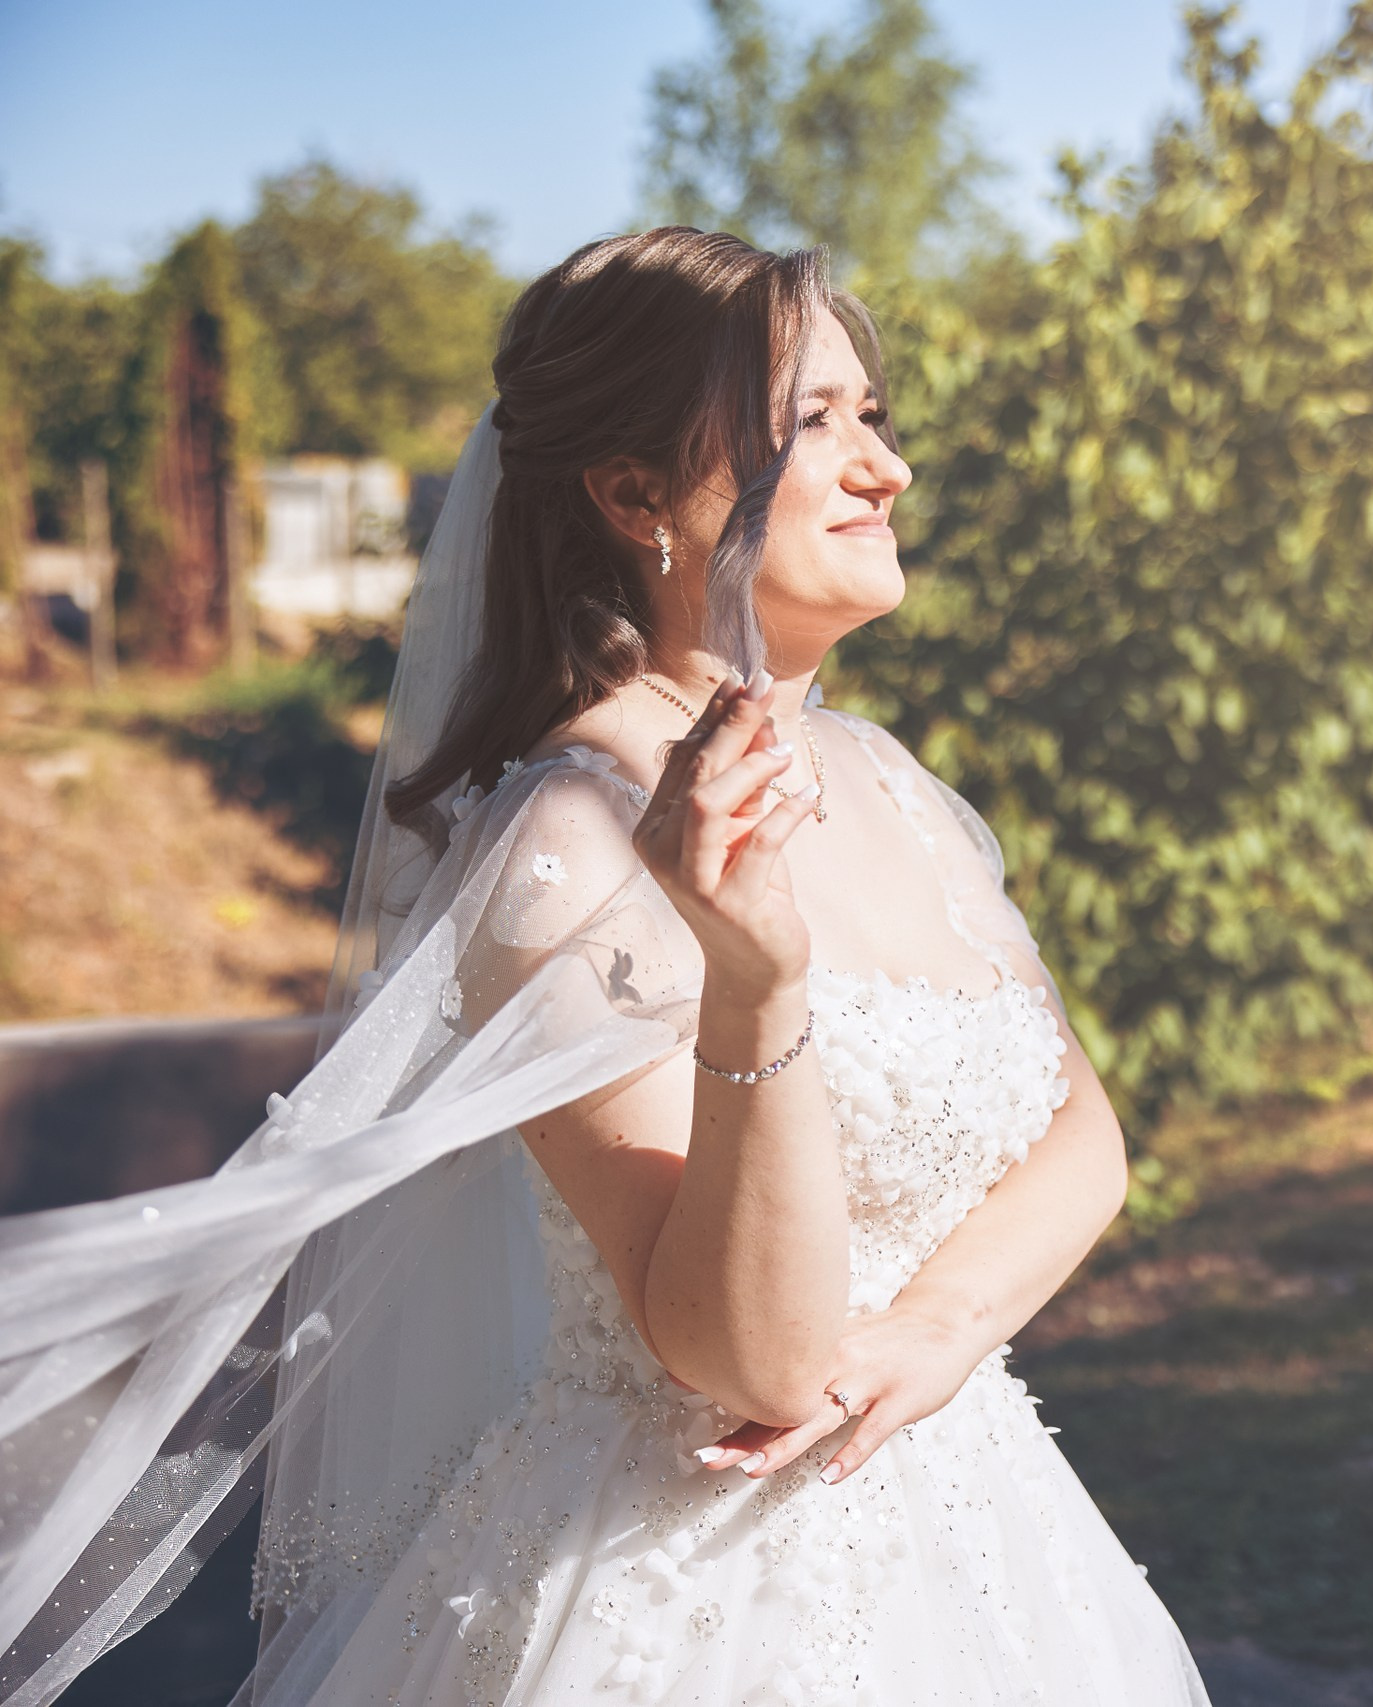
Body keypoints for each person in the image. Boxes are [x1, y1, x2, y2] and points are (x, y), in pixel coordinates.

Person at [0, 230, 1208, 1706]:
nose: (882, 464)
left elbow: (1081, 1131)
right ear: (637, 495)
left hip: (981, 1537)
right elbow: (749, 1366)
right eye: (810, 422)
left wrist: (939, 1331)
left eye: (871, 414)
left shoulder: (888, 781)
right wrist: (761, 984)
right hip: (703, 1604)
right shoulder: (573, 834)